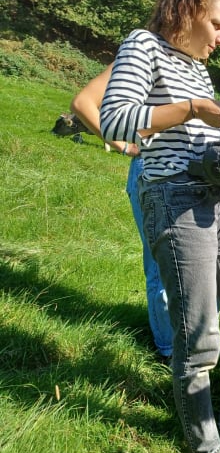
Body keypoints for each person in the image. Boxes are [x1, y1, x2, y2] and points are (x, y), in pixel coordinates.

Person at [99, 0, 220, 453]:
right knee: (199, 339)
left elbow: (201, 138)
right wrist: (194, 108)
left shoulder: (198, 67)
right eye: (218, 25)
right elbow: (113, 118)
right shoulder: (144, 45)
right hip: (175, 201)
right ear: (191, 9)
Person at [70, 64, 173, 362]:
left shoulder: (190, 65)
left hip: (186, 176)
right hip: (150, 171)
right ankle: (167, 351)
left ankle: (188, 343)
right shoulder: (140, 55)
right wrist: (123, 146)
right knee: (160, 264)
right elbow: (83, 103)